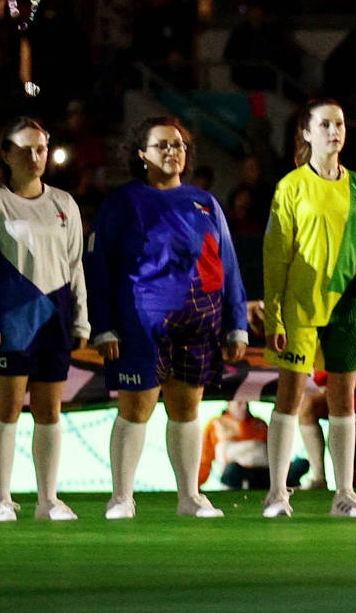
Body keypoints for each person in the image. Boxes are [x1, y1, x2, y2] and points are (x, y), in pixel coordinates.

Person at [87, 116, 249, 519]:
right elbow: (98, 267)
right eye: (162, 145)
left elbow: (227, 264)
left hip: (200, 324)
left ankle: (189, 497)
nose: (172, 152)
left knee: (187, 410)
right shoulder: (122, 203)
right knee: (136, 409)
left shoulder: (205, 202)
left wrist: (237, 322)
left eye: (178, 145)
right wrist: (103, 324)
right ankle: (122, 497)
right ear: (142, 154)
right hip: (141, 324)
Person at [261, 98, 356, 518]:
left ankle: (345, 494)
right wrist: (275, 313)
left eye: (340, 123)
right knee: (290, 396)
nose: (335, 131)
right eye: (325, 124)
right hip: (298, 306)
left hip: (349, 306)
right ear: (306, 133)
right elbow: (275, 255)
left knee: (343, 400)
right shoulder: (291, 186)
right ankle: (277, 492)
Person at [0, 117, 90, 523]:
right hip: (11, 325)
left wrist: (82, 321)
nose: (36, 156)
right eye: (25, 149)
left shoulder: (64, 204)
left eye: (41, 148)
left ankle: (47, 500)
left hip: (54, 324)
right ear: (5, 154)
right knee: (5, 410)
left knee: (49, 411)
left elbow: (76, 266)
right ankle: (1, 499)